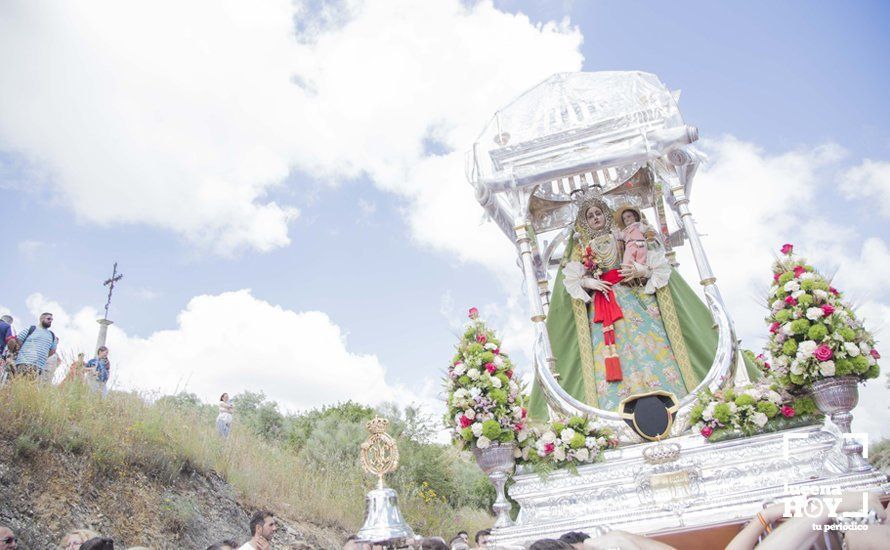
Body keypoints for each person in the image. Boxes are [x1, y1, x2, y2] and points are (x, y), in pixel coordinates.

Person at [529, 192, 720, 414]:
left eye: (598, 213)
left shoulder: (624, 237)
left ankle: (670, 400)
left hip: (634, 296)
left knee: (647, 343)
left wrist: (642, 270)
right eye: (590, 216)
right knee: (608, 352)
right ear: (585, 222)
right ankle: (616, 410)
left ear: (607, 216)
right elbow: (570, 279)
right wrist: (587, 281)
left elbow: (651, 260)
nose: (595, 218)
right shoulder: (582, 248)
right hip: (603, 305)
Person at [13, 312, 58, 380]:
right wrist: (26, 350)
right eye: (48, 319)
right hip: (23, 362)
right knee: (18, 383)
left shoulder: (52, 335)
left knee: (29, 388)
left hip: (38, 366)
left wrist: (43, 356)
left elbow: (53, 351)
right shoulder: (31, 329)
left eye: (52, 320)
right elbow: (18, 339)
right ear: (41, 319)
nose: (50, 321)